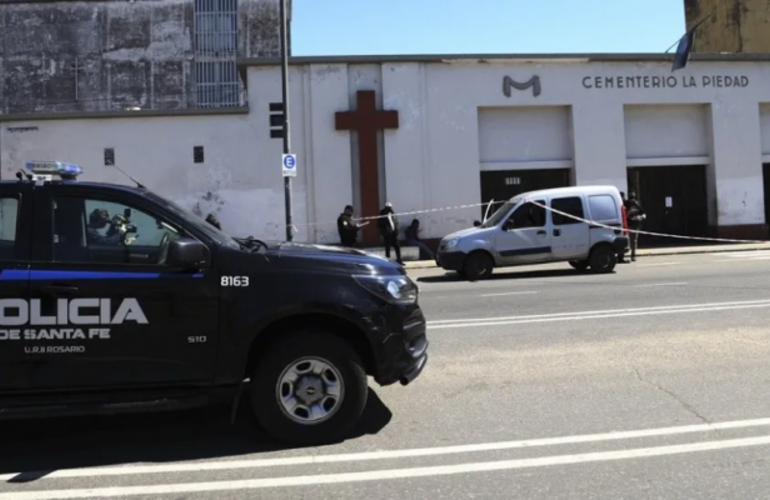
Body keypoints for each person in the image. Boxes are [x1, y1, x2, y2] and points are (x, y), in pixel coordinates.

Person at [625, 191, 646, 262]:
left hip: (633, 224)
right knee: (632, 240)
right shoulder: (627, 203)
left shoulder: (637, 204)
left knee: (633, 240)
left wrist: (638, 217)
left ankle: (632, 254)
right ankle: (632, 254)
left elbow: (643, 215)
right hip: (630, 224)